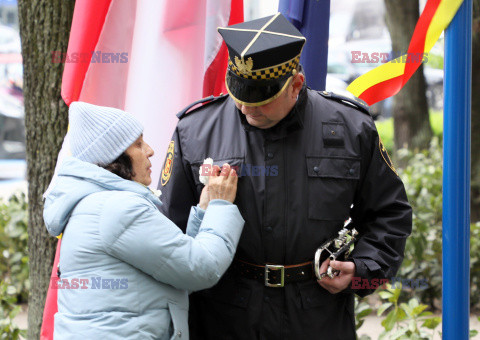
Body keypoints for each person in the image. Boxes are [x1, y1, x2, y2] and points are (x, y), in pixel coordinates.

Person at [158, 13, 412, 339]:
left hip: (317, 316)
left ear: (295, 85)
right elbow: (168, 229)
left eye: (261, 101)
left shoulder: (351, 128)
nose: (247, 110)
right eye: (240, 97)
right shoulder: (195, 130)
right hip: (225, 317)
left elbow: (389, 214)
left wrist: (362, 271)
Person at [43, 102, 244, 339]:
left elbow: (173, 270)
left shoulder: (96, 204)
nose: (150, 150)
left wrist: (204, 211)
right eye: (138, 144)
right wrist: (221, 207)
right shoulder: (118, 209)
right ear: (114, 158)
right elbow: (201, 268)